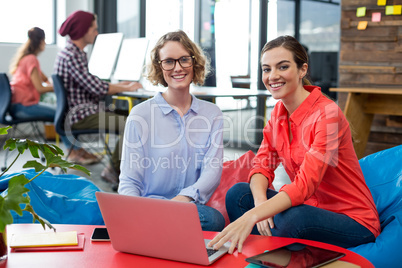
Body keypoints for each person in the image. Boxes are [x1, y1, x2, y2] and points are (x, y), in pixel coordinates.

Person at [208, 35, 381, 253]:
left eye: (283, 67)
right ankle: (262, 253)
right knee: (239, 194)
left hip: (351, 219)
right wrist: (260, 204)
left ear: (302, 70)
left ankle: (266, 250)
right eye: (266, 69)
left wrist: (252, 215)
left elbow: (303, 186)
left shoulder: (327, 114)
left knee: (294, 219)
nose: (273, 76)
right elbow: (262, 165)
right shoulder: (278, 114)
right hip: (308, 207)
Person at [118, 30, 225, 231]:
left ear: (194, 63)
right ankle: (156, 230)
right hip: (148, 207)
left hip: (188, 207)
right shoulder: (140, 115)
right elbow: (129, 180)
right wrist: (134, 211)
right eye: (168, 61)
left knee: (213, 220)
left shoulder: (212, 114)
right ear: (160, 68)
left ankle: (156, 232)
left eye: (184, 59)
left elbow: (212, 172)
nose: (177, 68)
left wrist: (179, 202)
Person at [54, 10, 143, 184]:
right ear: (83, 30)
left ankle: (129, 167)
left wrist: (122, 86)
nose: (96, 32)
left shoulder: (71, 52)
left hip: (79, 113)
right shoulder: (73, 55)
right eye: (94, 29)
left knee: (132, 118)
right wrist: (126, 86)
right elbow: (97, 87)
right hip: (81, 116)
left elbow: (91, 82)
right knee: (132, 125)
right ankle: (113, 169)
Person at [9, 27, 98, 165]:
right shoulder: (32, 59)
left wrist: (55, 82)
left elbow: (45, 79)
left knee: (62, 112)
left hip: (15, 107)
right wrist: (63, 87)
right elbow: (40, 87)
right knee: (62, 114)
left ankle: (78, 150)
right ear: (41, 42)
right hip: (24, 107)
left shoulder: (25, 58)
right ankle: (74, 152)